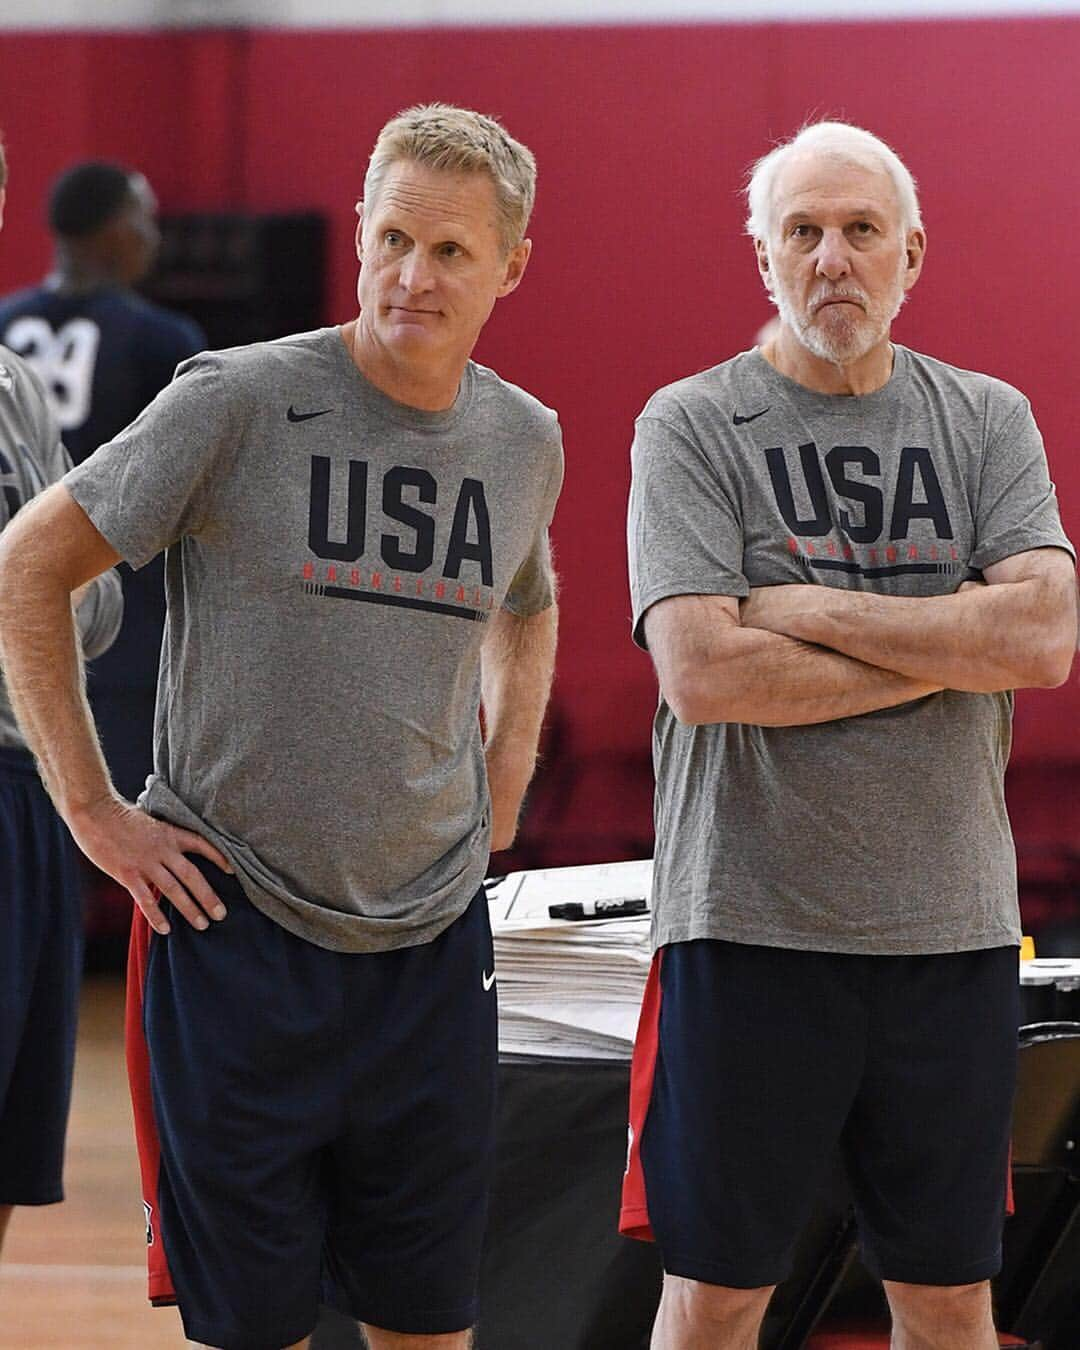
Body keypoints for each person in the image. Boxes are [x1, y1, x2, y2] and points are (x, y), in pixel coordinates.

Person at [0, 103, 562, 1350]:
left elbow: (528, 603)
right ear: (362, 231)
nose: (414, 276)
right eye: (393, 237)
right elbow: (25, 571)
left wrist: (508, 769)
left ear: (511, 265)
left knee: (429, 1323)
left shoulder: (525, 439)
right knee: (256, 1330)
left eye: (453, 251)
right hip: (234, 934)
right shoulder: (235, 399)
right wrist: (91, 810)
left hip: (430, 948)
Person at [621, 120, 1077, 1350]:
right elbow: (704, 672)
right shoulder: (692, 425)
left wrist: (813, 609)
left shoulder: (986, 421)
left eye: (861, 230)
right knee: (715, 1295)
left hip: (951, 934)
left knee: (947, 1297)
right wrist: (945, 643)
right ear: (760, 253)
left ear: (912, 254)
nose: (833, 258)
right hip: (750, 928)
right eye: (804, 231)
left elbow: (1041, 641)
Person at [0, 136, 123, 1257]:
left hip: (28, 767)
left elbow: (82, 595)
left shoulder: (15, 378)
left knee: (13, 1138)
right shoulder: (165, 346)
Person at [0, 161, 204, 807]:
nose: (153, 235)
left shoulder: (6, 322)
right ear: (114, 231)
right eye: (143, 218)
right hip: (120, 629)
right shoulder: (161, 340)